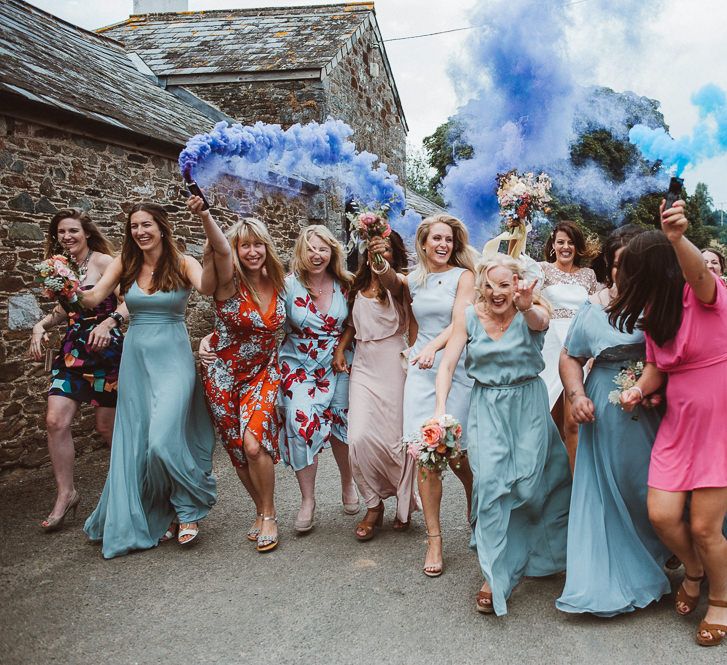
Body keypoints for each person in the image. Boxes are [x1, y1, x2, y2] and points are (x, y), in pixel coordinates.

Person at [615, 201, 727, 647]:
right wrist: (639, 389)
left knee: (704, 526)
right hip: (678, 423)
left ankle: (720, 598)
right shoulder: (654, 315)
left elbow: (699, 273)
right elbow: (658, 366)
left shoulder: (705, 295)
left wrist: (679, 238)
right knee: (661, 514)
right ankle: (694, 569)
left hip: (718, 420)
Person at [435, 254, 571, 616]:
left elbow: (540, 321)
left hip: (528, 404)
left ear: (518, 284)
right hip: (487, 406)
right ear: (482, 284)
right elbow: (448, 363)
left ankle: (533, 553)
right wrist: (439, 408)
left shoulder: (532, 312)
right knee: (492, 485)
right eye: (491, 285)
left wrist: (526, 307)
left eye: (505, 285)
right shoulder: (469, 316)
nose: (497, 293)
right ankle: (495, 575)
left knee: (526, 487)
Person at [81, 202, 218, 558]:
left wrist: (213, 245)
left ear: (161, 227)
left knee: (162, 438)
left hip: (173, 358)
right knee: (140, 441)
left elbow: (209, 287)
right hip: (136, 359)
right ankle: (165, 509)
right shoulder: (125, 263)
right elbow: (93, 297)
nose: (139, 232)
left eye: (146, 225)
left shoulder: (184, 263)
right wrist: (63, 289)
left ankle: (190, 508)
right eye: (134, 226)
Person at [556, 225, 670, 617]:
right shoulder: (593, 305)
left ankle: (662, 551)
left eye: (631, 264)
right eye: (617, 263)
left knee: (645, 487)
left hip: (654, 405)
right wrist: (576, 395)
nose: (622, 271)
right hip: (603, 406)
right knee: (608, 490)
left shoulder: (660, 302)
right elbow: (571, 355)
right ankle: (610, 574)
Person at [374, 214, 475, 577]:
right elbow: (387, 278)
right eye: (436, 239)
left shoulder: (464, 277)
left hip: (455, 365)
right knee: (426, 454)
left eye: (448, 239)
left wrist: (431, 347)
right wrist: (375, 251)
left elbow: (459, 322)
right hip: (420, 371)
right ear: (424, 242)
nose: (443, 245)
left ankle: (473, 506)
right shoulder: (414, 279)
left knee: (459, 455)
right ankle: (435, 539)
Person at [190, 198, 285, 552]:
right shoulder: (228, 282)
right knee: (237, 450)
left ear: (267, 247)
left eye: (258, 243)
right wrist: (204, 215)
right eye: (244, 245)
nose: (252, 251)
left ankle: (271, 514)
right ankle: (259, 510)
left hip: (263, 372)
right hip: (223, 376)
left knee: (253, 443)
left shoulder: (280, 282)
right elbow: (220, 251)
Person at [29, 208, 126, 532]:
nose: (67, 237)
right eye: (61, 233)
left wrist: (110, 322)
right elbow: (63, 310)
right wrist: (40, 325)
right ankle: (66, 494)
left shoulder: (103, 261)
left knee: (106, 429)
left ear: (85, 232)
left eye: (73, 231)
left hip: (107, 351)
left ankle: (130, 489)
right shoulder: (63, 268)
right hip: (73, 353)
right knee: (55, 420)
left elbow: (129, 299)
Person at [332, 230, 417, 540]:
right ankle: (373, 503)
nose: (379, 256)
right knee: (357, 438)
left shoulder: (400, 286)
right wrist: (341, 348)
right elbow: (353, 324)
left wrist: (384, 265)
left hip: (393, 361)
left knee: (396, 440)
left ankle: (404, 504)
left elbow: (391, 280)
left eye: (386, 251)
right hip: (364, 365)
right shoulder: (356, 285)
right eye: (373, 250)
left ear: (394, 254)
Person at [278, 225, 358, 532]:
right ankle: (308, 499)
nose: (317, 255)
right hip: (298, 364)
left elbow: (352, 322)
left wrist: (340, 347)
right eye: (311, 248)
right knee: (300, 423)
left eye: (323, 249)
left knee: (342, 424)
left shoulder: (346, 284)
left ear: (332, 252)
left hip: (338, 362)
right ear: (300, 251)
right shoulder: (287, 286)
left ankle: (347, 485)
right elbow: (264, 318)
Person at [539, 221, 598, 470]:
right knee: (548, 418)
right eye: (560, 242)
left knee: (573, 420)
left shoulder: (588, 275)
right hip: (551, 345)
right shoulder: (541, 270)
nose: (565, 247)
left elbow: (596, 311)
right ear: (553, 245)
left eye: (571, 242)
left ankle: (575, 485)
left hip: (579, 346)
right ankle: (550, 482)